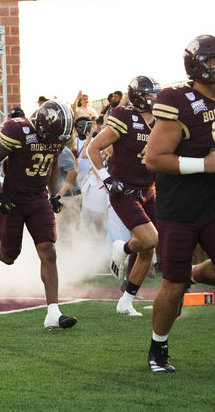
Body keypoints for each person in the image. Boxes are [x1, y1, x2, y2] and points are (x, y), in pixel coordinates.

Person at [144, 34, 215, 373]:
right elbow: (154, 159)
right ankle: (158, 347)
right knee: (172, 283)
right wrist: (204, 164)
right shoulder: (179, 100)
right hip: (181, 209)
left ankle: (193, 274)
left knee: (183, 276)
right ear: (199, 66)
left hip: (213, 204)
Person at [0, 100, 78, 329]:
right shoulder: (18, 130)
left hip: (38, 200)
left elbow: (51, 165)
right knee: (10, 255)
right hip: (13, 199)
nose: (56, 142)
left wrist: (53, 195)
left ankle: (53, 312)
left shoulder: (57, 137)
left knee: (49, 252)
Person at [87, 75, 161, 316]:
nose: (155, 98)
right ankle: (124, 249)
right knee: (150, 239)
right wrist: (106, 178)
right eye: (151, 94)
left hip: (150, 190)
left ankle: (126, 300)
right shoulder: (124, 116)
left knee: (149, 249)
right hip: (124, 190)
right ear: (139, 96)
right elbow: (93, 147)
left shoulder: (162, 118)